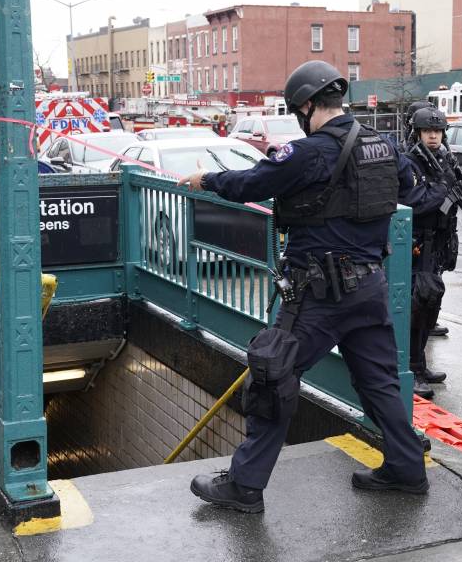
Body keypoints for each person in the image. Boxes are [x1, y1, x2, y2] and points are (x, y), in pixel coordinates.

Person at [179, 61, 445, 513]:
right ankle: (405, 466)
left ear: (304, 105)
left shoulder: (307, 153)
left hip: (319, 294)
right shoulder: (383, 147)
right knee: (378, 382)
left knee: (272, 374)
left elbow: (250, 183)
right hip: (370, 288)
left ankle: (244, 485)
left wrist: (204, 179)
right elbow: (409, 192)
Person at [402, 107, 458, 398]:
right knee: (418, 307)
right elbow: (415, 202)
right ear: (417, 133)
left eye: (437, 131)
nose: (433, 136)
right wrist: (442, 188)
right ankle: (412, 367)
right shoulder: (409, 164)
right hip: (416, 245)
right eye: (427, 131)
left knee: (432, 306)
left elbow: (451, 201)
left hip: (436, 245)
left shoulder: (444, 161)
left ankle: (420, 364)